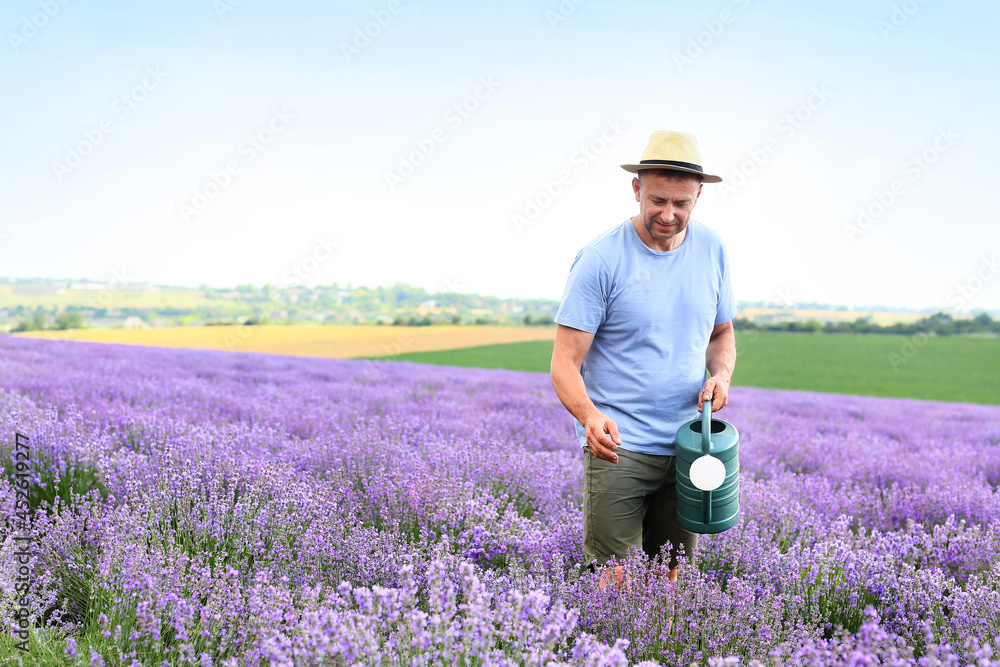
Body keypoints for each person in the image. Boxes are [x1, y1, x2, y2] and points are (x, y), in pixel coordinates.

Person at [549, 130, 737, 587]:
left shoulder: (712, 249)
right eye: (657, 200)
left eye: (681, 203)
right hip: (619, 447)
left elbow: (722, 333)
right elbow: (564, 362)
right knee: (615, 582)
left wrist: (723, 375)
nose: (668, 214)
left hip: (691, 444)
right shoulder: (600, 259)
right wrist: (590, 417)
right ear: (636, 189)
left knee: (671, 576)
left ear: (698, 197)